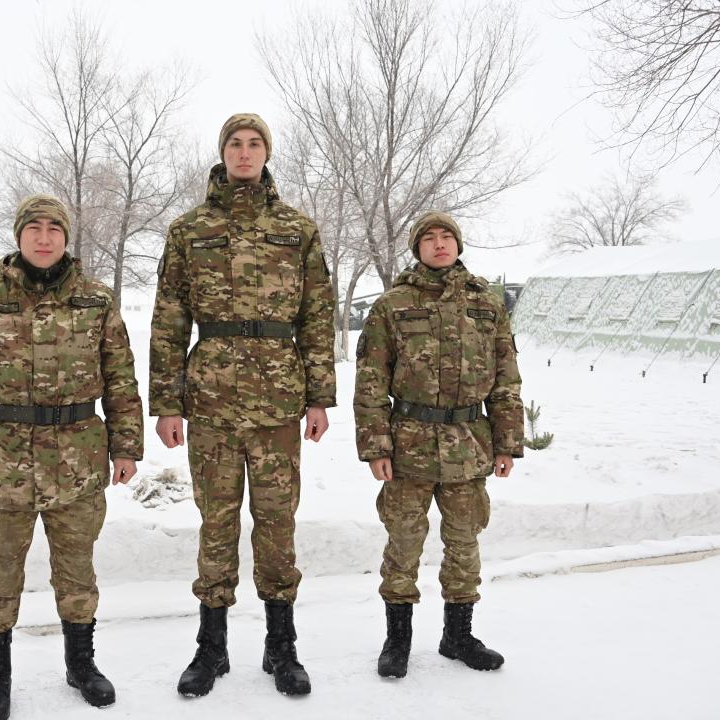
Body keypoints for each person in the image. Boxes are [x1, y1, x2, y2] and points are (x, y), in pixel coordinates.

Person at [149, 113, 336, 697]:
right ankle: (212, 648)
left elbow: (317, 317)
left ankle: (282, 647)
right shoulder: (189, 229)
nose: (245, 152)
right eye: (236, 143)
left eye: (255, 144)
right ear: (222, 152)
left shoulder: (297, 229)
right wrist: (167, 402)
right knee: (217, 523)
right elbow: (169, 319)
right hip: (211, 400)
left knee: (277, 523)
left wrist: (320, 397)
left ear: (267, 153)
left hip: (279, 401)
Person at [0, 195, 143, 718]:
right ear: (19, 235)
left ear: (67, 237)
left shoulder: (97, 300)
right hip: (3, 466)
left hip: (79, 462)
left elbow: (121, 380)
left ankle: (81, 664)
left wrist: (126, 446)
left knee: (77, 572)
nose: (45, 237)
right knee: (0, 574)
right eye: (35, 228)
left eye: (55, 228)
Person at [353, 211, 524, 678]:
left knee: (465, 543)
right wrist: (376, 446)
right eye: (428, 237)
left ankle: (458, 636)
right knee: (404, 543)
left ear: (458, 244)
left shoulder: (486, 304)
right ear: (417, 248)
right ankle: (398, 640)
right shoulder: (392, 305)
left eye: (447, 236)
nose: (439, 243)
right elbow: (371, 381)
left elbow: (506, 378)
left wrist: (507, 442)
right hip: (409, 445)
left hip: (469, 445)